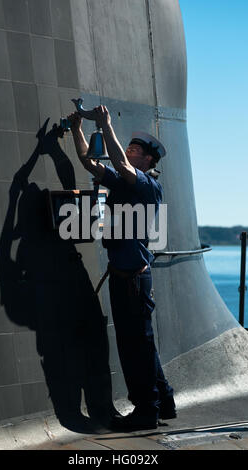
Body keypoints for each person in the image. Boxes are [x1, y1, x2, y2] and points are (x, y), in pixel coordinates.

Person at [67, 106, 176, 431]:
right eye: (129, 147)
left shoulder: (146, 187)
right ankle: (164, 401)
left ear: (148, 162)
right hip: (122, 276)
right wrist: (77, 130)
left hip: (132, 280)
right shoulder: (124, 183)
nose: (129, 152)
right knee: (143, 345)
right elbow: (91, 162)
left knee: (134, 348)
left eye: (135, 150)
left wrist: (105, 124)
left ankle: (146, 412)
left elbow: (119, 164)